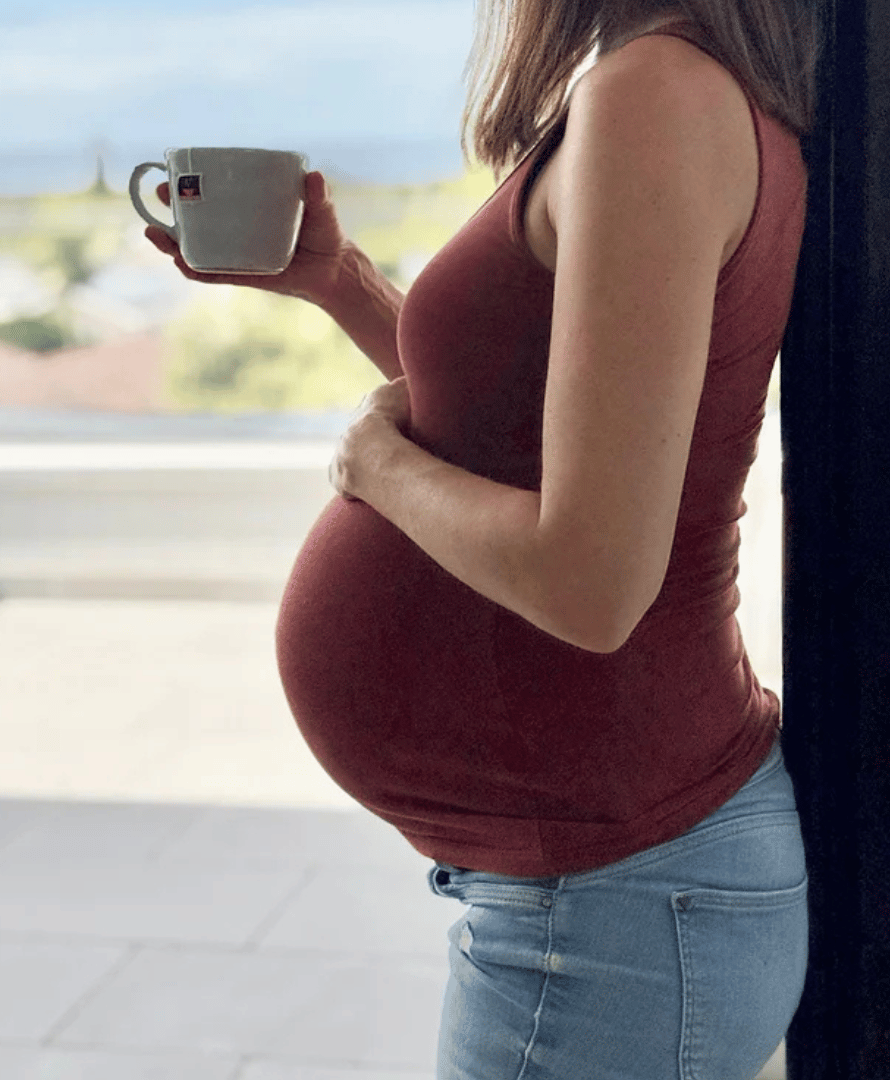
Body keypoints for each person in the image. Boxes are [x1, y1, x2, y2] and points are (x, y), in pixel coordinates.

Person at [146, 2, 820, 1076]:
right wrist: (341, 282)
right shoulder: (677, 86)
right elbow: (515, 420)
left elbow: (591, 580)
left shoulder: (658, 97)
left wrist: (377, 468)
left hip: (612, 908)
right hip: (606, 888)